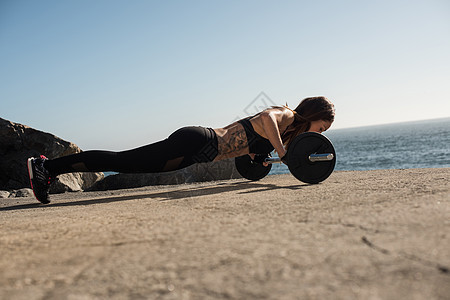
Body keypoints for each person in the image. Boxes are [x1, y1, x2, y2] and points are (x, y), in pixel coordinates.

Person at [27, 96, 335, 204]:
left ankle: (48, 170)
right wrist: (282, 152)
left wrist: (258, 158)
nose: (319, 134)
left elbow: (247, 147)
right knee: (122, 159)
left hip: (194, 155)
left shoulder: (282, 132)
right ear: (313, 115)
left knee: (129, 167)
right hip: (198, 140)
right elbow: (265, 118)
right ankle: (46, 167)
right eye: (321, 128)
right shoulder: (285, 114)